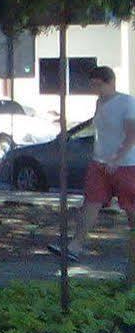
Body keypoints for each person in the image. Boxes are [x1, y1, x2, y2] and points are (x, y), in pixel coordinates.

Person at [54, 66, 135, 260]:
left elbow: (132, 134)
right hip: (99, 164)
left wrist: (116, 159)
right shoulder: (99, 102)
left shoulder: (127, 103)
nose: (95, 89)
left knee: (130, 208)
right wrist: (70, 131)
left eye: (98, 85)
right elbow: (97, 125)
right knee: (91, 203)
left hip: (126, 165)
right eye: (92, 85)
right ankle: (74, 247)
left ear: (110, 82)